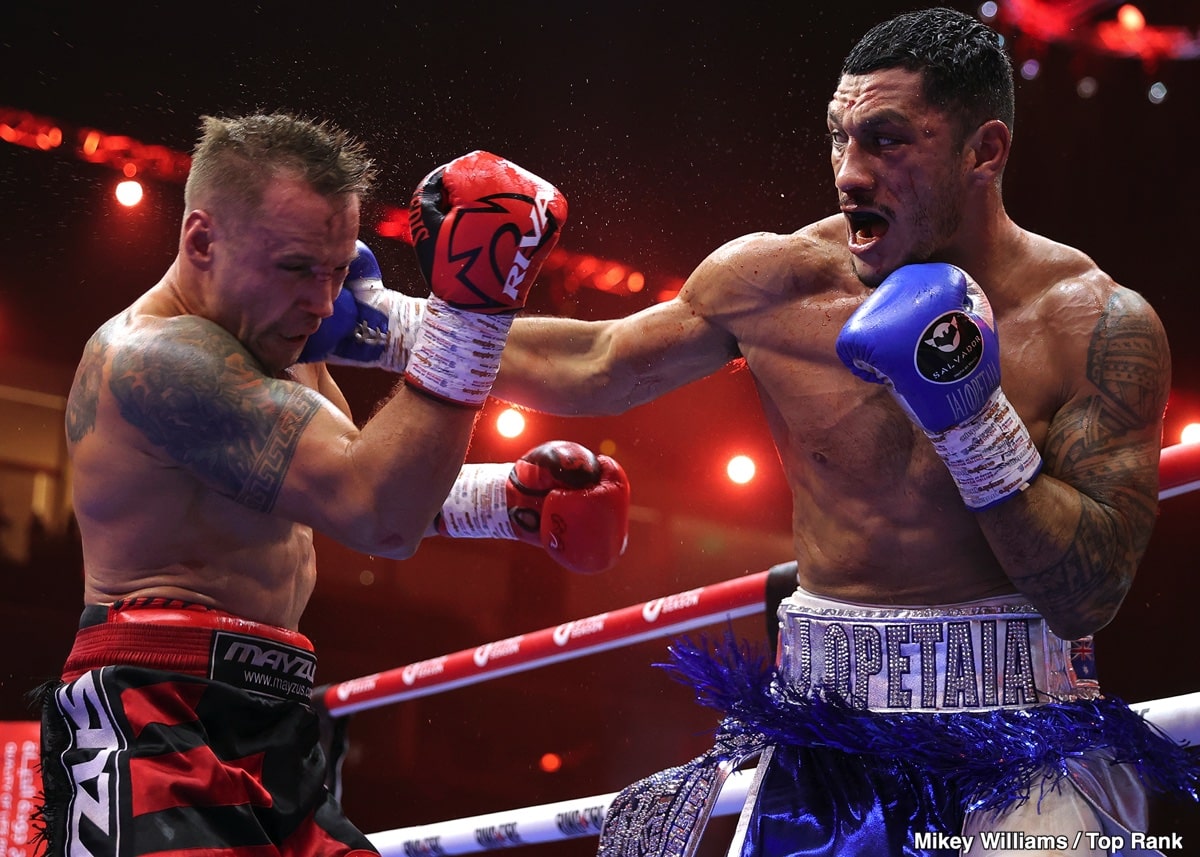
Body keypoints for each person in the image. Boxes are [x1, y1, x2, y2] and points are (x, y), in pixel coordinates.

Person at [302, 8, 1199, 856]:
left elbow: (1090, 591)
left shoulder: (1096, 324)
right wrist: (384, 326)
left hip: (1026, 739)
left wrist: (972, 416)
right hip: (823, 733)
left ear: (984, 150)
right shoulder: (779, 279)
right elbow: (601, 357)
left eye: (886, 139)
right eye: (839, 137)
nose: (850, 171)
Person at [34, 113, 630, 857]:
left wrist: (501, 503)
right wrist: (469, 315)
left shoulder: (279, 336)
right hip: (153, 711)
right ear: (200, 241)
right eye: (294, 267)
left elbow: (358, 477)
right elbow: (375, 511)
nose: (323, 303)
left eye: (338, 268)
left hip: (273, 716)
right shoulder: (158, 359)